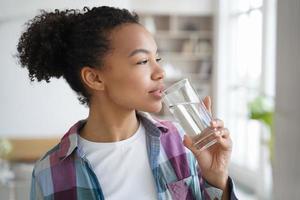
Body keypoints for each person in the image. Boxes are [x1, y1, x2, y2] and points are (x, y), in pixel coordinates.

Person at [17, 6, 237, 200]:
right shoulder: (50, 173)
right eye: (142, 61)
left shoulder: (184, 143)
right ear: (95, 78)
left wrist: (217, 178)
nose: (160, 72)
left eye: (156, 59)